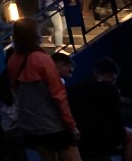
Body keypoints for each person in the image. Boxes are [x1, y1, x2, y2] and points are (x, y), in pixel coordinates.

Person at [5, 18, 79, 161]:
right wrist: (71, 125)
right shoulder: (42, 59)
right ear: (35, 33)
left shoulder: (13, 60)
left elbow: (14, 89)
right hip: (53, 124)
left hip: (30, 124)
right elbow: (58, 95)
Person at [67, 57, 132, 161]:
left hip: (79, 137)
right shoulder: (111, 89)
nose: (113, 82)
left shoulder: (73, 88)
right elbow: (116, 117)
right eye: (112, 79)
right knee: (131, 135)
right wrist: (118, 138)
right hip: (102, 136)